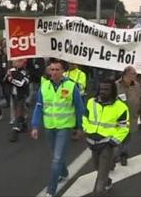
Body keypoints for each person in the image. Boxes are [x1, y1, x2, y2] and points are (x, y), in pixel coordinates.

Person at [30, 59, 85, 197]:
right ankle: (64, 172)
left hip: (65, 127)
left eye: (57, 70)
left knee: (56, 158)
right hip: (49, 126)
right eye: (51, 69)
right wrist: (35, 125)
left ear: (63, 71)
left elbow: (79, 108)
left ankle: (51, 190)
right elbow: (39, 106)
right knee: (56, 155)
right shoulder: (44, 86)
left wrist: (80, 127)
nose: (53, 72)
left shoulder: (72, 86)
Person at [82, 79, 130, 196]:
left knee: (99, 186)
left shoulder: (121, 107)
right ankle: (106, 181)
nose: (103, 91)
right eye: (101, 89)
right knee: (97, 167)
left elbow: (124, 127)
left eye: (106, 89)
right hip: (92, 143)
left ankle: (100, 190)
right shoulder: (90, 102)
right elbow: (85, 118)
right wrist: (87, 131)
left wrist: (113, 142)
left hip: (107, 145)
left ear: (112, 90)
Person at [115, 66, 141, 166]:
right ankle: (113, 157)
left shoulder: (137, 86)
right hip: (118, 118)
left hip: (132, 117)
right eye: (133, 74)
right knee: (117, 138)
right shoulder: (116, 85)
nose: (135, 76)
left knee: (127, 138)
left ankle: (124, 156)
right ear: (126, 75)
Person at [7, 59, 30, 142]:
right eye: (14, 62)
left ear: (21, 62)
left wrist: (11, 80)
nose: (15, 63)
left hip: (21, 95)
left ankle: (15, 132)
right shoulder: (12, 70)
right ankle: (24, 125)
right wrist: (8, 76)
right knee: (19, 112)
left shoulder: (25, 72)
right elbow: (5, 80)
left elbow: (21, 84)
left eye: (17, 61)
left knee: (18, 112)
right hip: (13, 94)